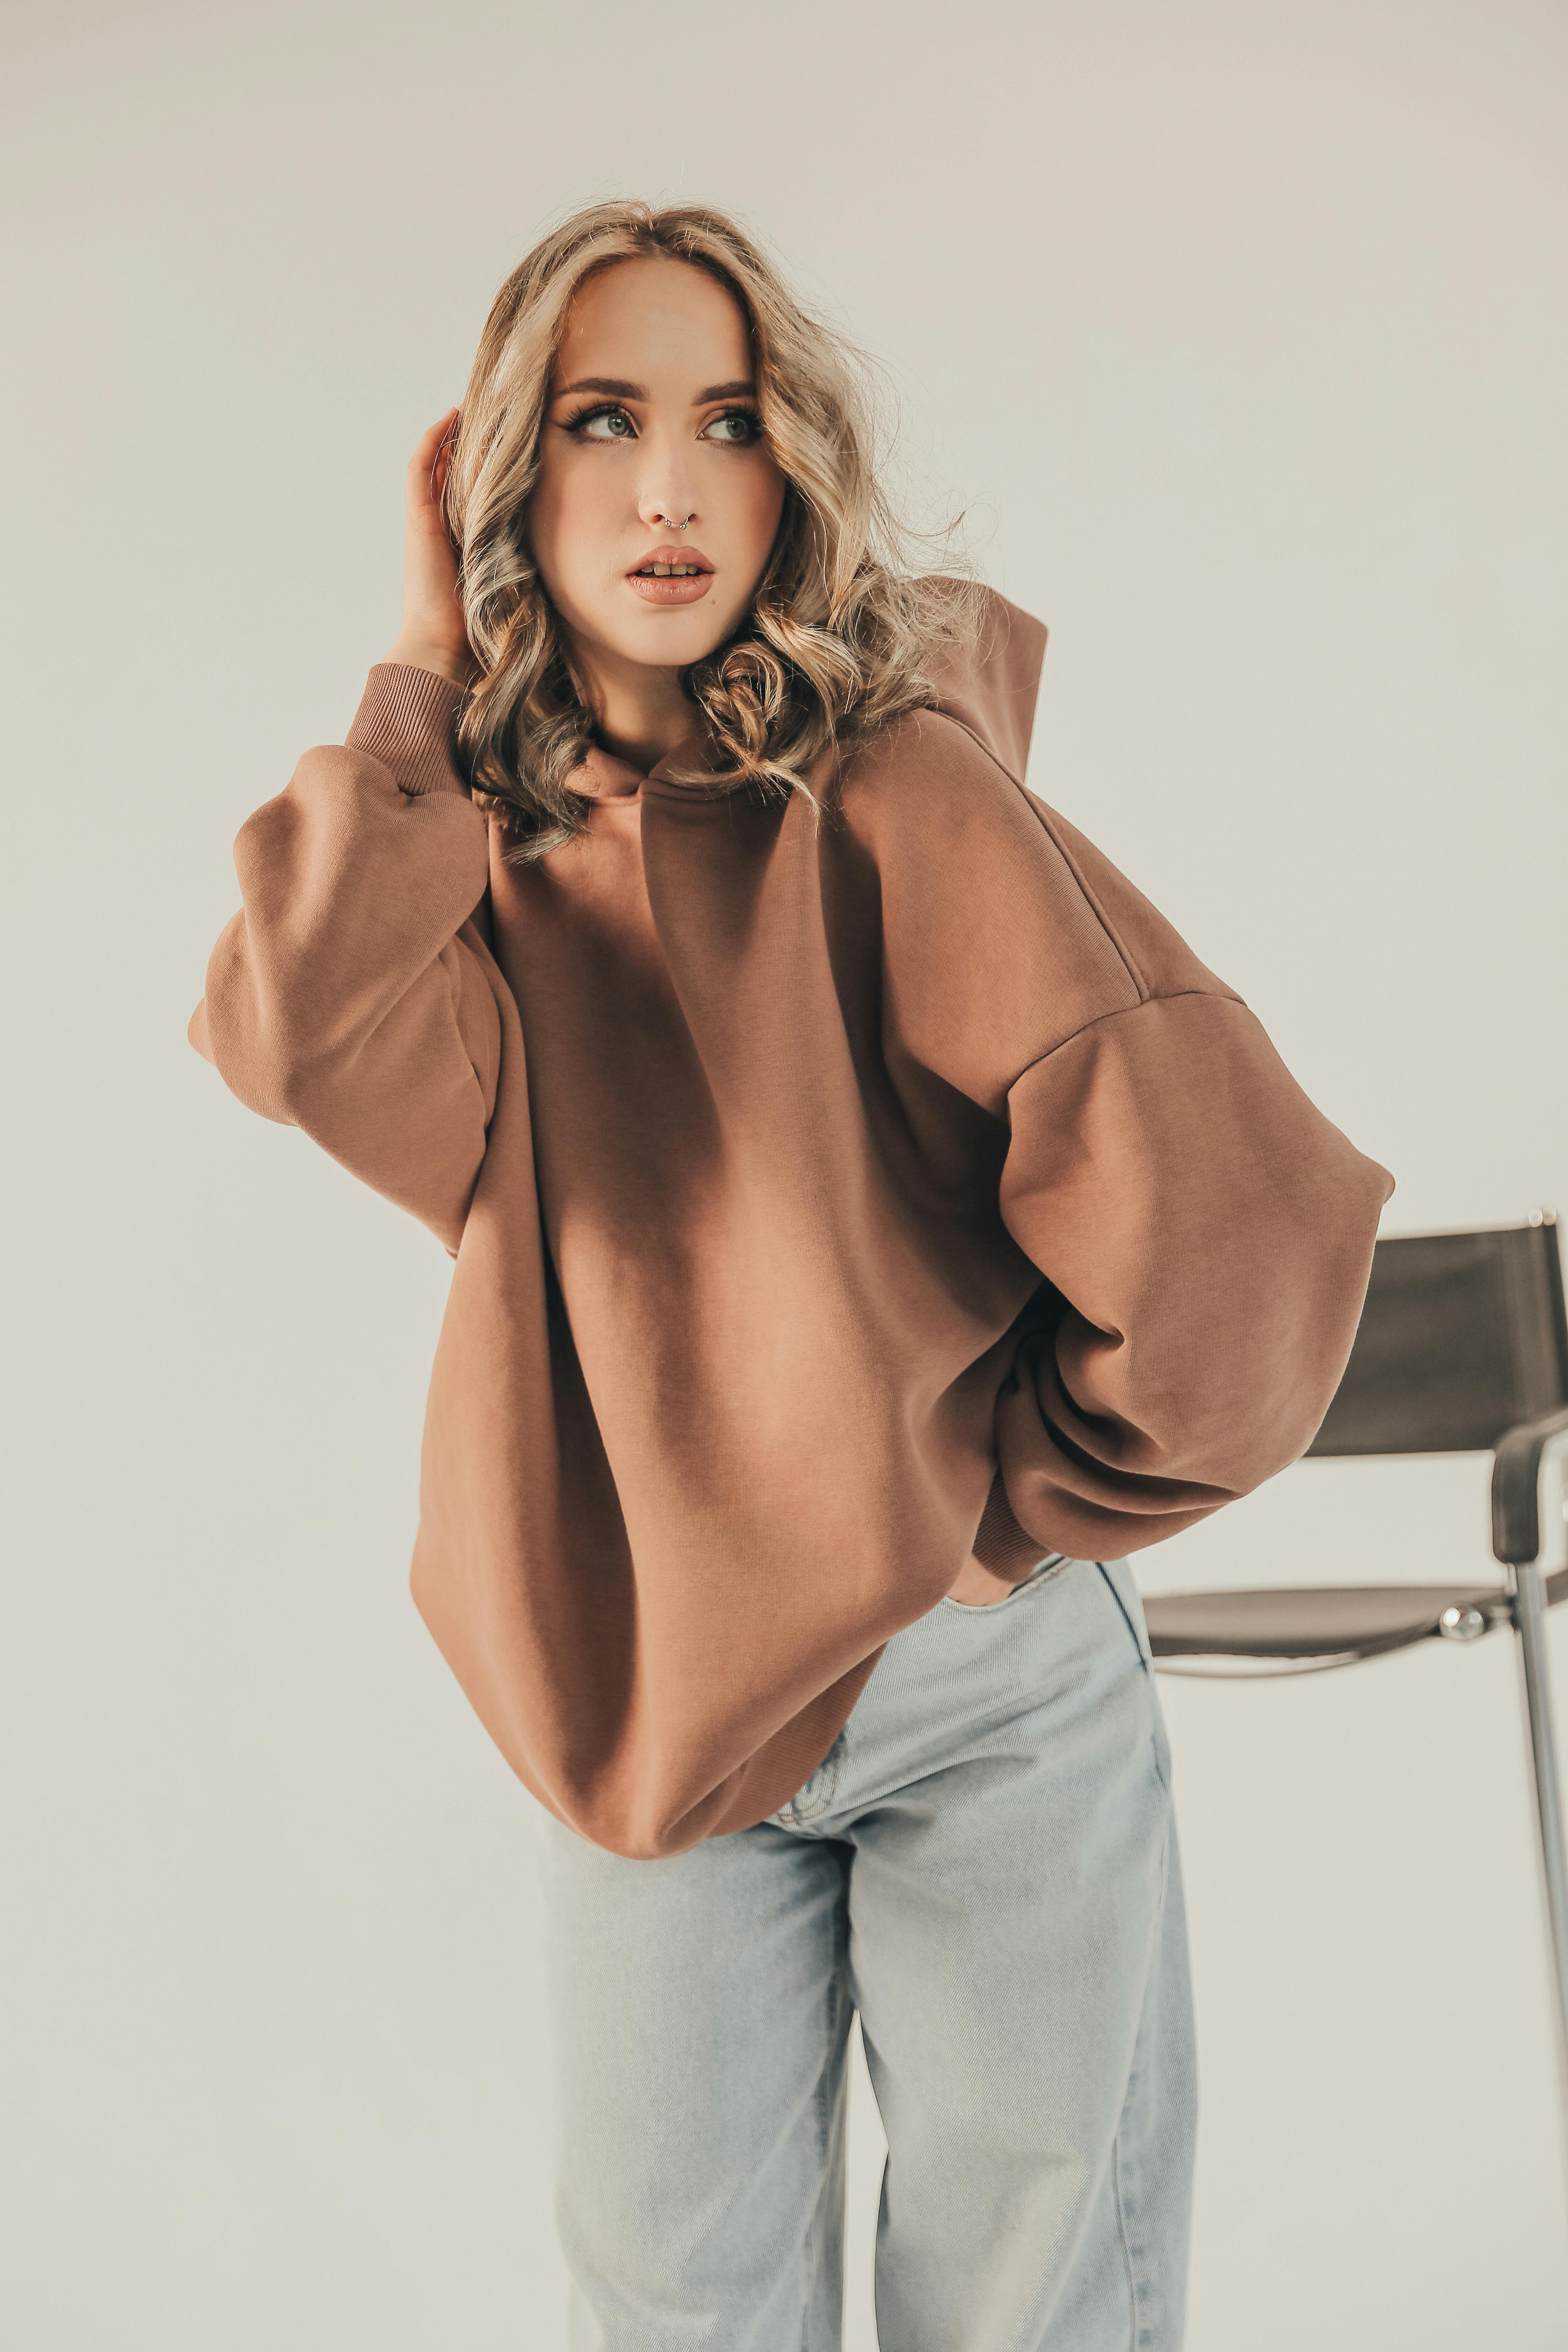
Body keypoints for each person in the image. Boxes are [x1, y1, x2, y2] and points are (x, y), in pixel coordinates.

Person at [190, 200, 1392, 2350]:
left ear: (789, 463)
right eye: (599, 423)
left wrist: (1019, 1520)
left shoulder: (892, 790)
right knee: (675, 2312)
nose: (671, 488)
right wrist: (414, 678)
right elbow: (291, 1030)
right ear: (505, 480)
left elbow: (1233, 1229)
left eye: (726, 422)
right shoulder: (477, 870)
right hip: (642, 1689)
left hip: (982, 1692)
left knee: (1033, 2308)